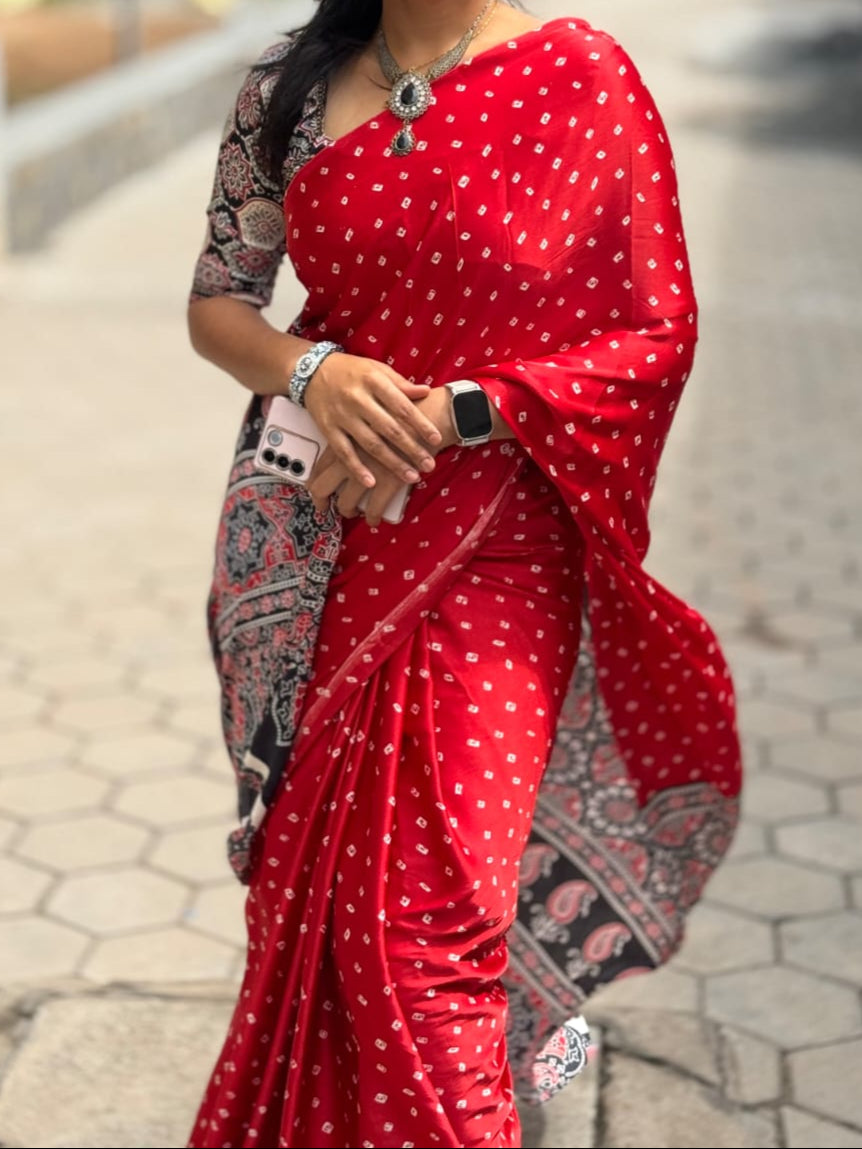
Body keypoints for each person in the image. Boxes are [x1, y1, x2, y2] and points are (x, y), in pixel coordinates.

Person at [185, 2, 742, 1146]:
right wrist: (314, 370)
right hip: (315, 541)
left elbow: (653, 335)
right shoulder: (288, 86)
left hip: (496, 545)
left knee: (422, 940)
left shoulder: (580, 78)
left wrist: (460, 413)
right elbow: (218, 306)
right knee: (307, 900)